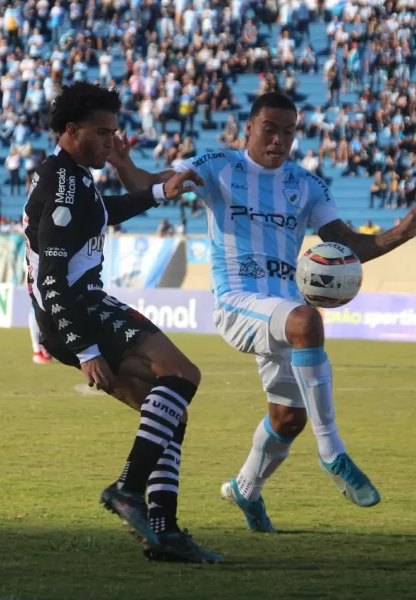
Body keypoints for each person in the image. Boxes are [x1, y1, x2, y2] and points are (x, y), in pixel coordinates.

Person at [110, 91, 416, 532]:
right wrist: (124, 166)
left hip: (282, 312)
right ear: (249, 128)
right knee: (309, 320)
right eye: (270, 129)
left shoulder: (307, 185)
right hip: (238, 302)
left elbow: (351, 244)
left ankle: (245, 489)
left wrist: (404, 231)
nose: (279, 140)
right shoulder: (217, 166)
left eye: (288, 132)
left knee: (288, 419)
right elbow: (151, 186)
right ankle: (333, 453)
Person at [23, 81, 221, 563]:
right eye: (102, 133)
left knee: (168, 413)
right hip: (80, 308)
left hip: (77, 311)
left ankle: (163, 532)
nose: (112, 142)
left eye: (114, 132)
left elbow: (107, 211)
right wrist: (86, 349)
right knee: (182, 375)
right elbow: (49, 277)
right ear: (71, 131)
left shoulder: (74, 175)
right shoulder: (65, 183)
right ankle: (128, 491)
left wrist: (157, 190)